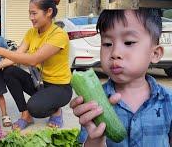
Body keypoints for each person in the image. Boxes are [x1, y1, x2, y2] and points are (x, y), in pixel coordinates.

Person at [70, 9, 172, 147]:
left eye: (129, 42)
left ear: (155, 53)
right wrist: (95, 140)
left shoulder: (169, 101)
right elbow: (89, 141)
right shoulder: (93, 102)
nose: (115, 53)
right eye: (107, 44)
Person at [0, 0, 73, 130]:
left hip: (59, 88)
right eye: (30, 13)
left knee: (35, 107)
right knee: (9, 72)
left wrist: (0, 50)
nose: (31, 17)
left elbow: (33, 60)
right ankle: (25, 115)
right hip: (39, 83)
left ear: (48, 12)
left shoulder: (59, 35)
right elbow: (16, 55)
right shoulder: (31, 33)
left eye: (34, 13)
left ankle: (56, 110)